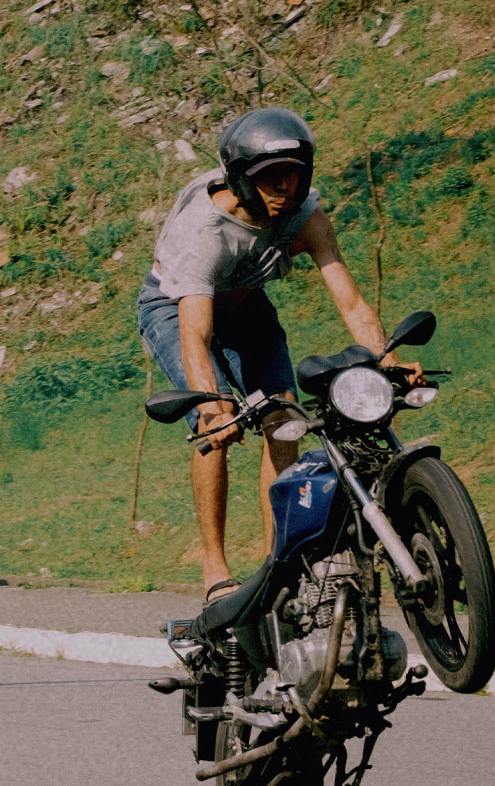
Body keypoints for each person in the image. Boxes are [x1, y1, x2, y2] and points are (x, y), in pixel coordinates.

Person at [137, 106, 422, 603]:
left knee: (283, 418)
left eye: (293, 175)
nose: (284, 190)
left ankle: (278, 564)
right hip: (175, 306)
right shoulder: (203, 235)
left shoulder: (306, 216)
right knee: (215, 428)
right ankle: (214, 570)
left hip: (247, 306)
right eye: (270, 178)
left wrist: (388, 361)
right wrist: (211, 406)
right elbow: (195, 335)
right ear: (242, 181)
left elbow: (351, 301)